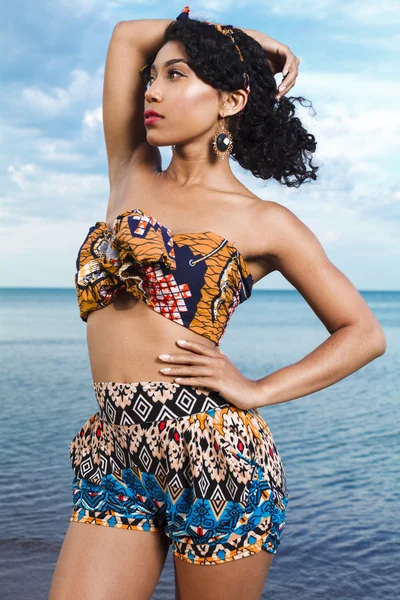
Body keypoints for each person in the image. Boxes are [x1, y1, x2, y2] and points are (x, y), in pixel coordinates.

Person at [49, 7, 386, 600]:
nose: (151, 90)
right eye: (152, 77)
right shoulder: (131, 171)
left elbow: (362, 332)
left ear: (231, 101)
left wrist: (257, 388)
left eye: (176, 76)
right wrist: (253, 41)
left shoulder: (265, 222)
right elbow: (127, 37)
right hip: (114, 452)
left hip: (216, 464)